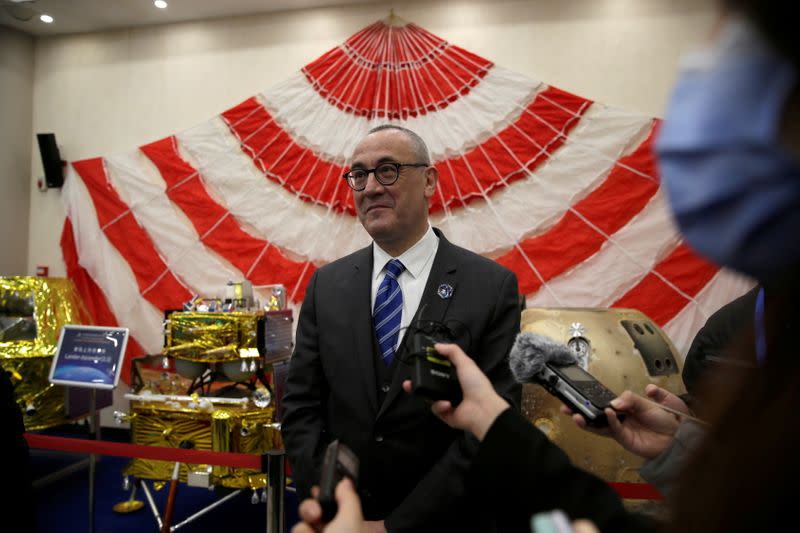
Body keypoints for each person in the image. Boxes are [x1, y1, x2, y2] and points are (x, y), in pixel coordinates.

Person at [280, 125, 522, 532]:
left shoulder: (491, 288)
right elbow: (301, 409)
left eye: (387, 170)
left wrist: (397, 526)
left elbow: (495, 426)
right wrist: (338, 504)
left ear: (429, 181)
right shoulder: (327, 286)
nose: (370, 187)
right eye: (358, 174)